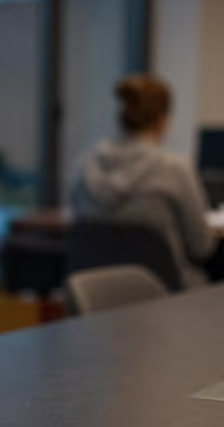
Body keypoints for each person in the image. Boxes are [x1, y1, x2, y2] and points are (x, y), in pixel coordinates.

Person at [70, 74, 220, 287]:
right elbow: (202, 247)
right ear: (161, 120)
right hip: (165, 297)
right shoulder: (174, 169)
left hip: (97, 297)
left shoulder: (85, 164)